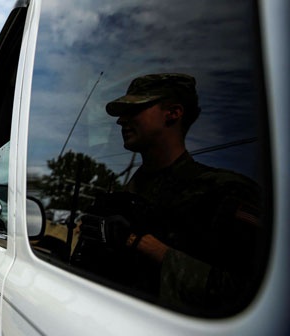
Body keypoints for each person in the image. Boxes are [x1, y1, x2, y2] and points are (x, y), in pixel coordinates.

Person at [78, 73, 264, 316]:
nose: (121, 121)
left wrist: (141, 244)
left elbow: (246, 296)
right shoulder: (125, 194)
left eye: (134, 110)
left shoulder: (224, 192)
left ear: (173, 113)